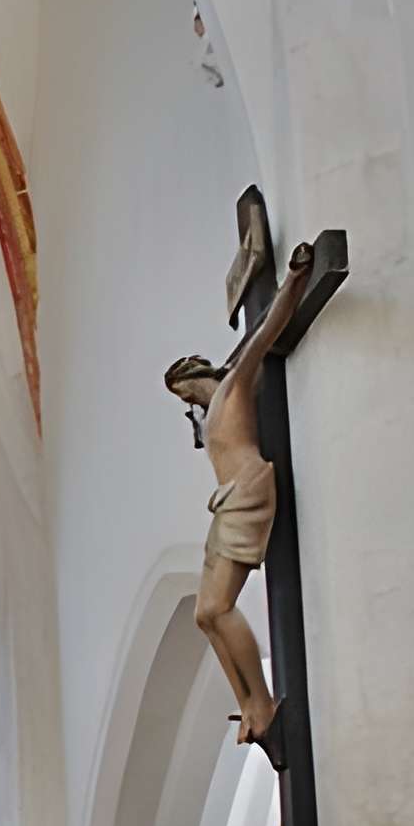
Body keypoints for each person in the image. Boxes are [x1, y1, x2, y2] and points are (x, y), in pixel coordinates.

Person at [165, 239, 319, 753]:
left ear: (196, 378)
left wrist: (295, 280)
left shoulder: (233, 386)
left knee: (221, 606)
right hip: (228, 498)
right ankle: (251, 704)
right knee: (203, 614)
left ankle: (263, 703)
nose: (184, 402)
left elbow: (267, 330)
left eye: (183, 392)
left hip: (249, 490)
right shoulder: (210, 414)